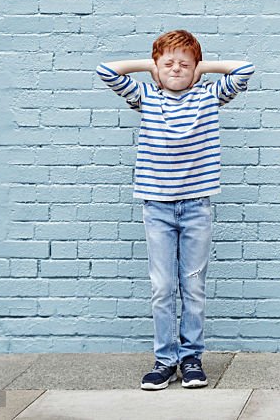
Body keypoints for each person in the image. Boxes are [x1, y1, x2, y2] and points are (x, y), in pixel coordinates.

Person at [95, 29, 254, 390]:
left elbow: (245, 69)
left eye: (184, 63)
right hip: (158, 207)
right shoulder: (146, 96)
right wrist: (150, 67)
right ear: (157, 68)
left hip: (197, 206)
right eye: (169, 63)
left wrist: (203, 68)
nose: (176, 68)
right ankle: (165, 360)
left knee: (193, 285)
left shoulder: (208, 96)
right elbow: (107, 70)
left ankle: (191, 358)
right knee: (163, 286)